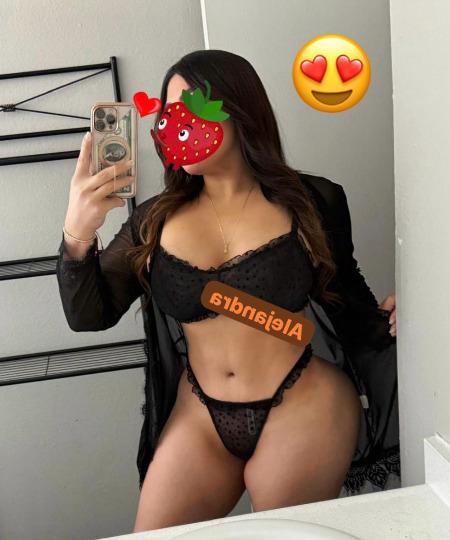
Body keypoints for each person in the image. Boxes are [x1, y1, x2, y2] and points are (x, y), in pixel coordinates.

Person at [56, 50, 399, 533]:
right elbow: (89, 315)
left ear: (238, 110)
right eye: (169, 113)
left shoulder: (313, 201)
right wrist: (77, 232)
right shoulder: (152, 221)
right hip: (200, 414)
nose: (178, 124)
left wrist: (408, 310)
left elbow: (348, 299)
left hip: (304, 403)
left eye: (192, 108)